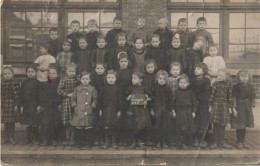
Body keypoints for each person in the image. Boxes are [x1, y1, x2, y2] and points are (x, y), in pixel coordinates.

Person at [124, 72, 152, 149]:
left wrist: (147, 98)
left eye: (135, 78)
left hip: (141, 110)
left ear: (140, 80)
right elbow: (125, 97)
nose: (133, 80)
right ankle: (133, 142)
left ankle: (140, 141)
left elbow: (151, 96)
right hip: (132, 110)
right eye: (132, 78)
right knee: (132, 125)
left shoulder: (144, 88)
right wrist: (128, 97)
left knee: (141, 125)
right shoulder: (130, 88)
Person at [70, 71, 98, 149]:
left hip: (88, 111)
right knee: (79, 127)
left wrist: (92, 106)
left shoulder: (92, 89)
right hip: (79, 111)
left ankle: (88, 143)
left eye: (87, 79)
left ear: (89, 80)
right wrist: (75, 106)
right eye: (83, 79)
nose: (85, 80)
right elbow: (73, 99)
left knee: (88, 127)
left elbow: (95, 99)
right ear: (80, 80)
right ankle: (80, 143)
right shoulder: (77, 89)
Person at [209, 68, 233, 149]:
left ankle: (222, 142)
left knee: (222, 124)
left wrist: (230, 107)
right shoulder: (215, 84)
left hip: (224, 106)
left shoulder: (228, 85)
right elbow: (212, 95)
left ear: (226, 77)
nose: (219, 77)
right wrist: (210, 105)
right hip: (216, 105)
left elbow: (230, 97)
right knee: (215, 124)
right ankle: (215, 142)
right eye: (218, 75)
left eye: (222, 75)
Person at [231, 70, 256, 149]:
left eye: (246, 77)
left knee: (244, 125)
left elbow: (253, 96)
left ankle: (243, 141)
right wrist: (234, 108)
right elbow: (234, 97)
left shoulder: (251, 86)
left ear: (248, 78)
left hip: (247, 107)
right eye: (242, 76)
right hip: (239, 107)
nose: (244, 78)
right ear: (239, 77)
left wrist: (253, 105)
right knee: (239, 125)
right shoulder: (236, 86)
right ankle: (239, 142)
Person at [171, 75, 196, 150]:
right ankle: (180, 143)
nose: (182, 84)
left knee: (189, 127)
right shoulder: (176, 92)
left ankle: (187, 142)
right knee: (180, 127)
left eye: (184, 82)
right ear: (178, 83)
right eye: (181, 82)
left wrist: (193, 111)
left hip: (188, 112)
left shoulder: (190, 92)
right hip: (179, 112)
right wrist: (173, 111)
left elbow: (194, 102)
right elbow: (172, 103)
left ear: (188, 83)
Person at [190, 63, 212, 148]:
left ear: (204, 71)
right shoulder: (192, 80)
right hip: (194, 104)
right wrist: (193, 99)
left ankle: (203, 140)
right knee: (195, 121)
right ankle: (195, 139)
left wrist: (199, 98)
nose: (196, 70)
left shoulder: (206, 80)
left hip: (203, 104)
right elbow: (190, 91)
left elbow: (207, 92)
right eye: (195, 69)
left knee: (203, 121)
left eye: (198, 69)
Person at [98, 70, 122, 149]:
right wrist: (100, 109)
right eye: (109, 77)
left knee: (114, 126)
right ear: (106, 79)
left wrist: (119, 110)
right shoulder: (103, 88)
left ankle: (114, 142)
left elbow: (120, 100)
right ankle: (107, 142)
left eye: (112, 77)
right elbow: (100, 99)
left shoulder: (118, 89)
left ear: (116, 78)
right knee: (106, 125)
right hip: (106, 110)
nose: (111, 79)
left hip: (114, 110)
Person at [18, 65, 41, 145]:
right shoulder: (24, 83)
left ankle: (35, 138)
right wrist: (20, 105)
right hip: (26, 105)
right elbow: (21, 95)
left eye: (32, 72)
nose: (30, 73)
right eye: (28, 72)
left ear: (36, 73)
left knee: (35, 121)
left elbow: (41, 95)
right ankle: (28, 138)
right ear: (26, 73)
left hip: (34, 105)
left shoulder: (38, 83)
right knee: (28, 122)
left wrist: (40, 105)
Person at [39, 67, 62, 146]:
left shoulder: (59, 83)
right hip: (47, 106)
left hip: (55, 106)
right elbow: (42, 95)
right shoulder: (45, 84)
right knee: (46, 123)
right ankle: (45, 139)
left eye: (53, 73)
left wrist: (60, 103)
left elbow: (60, 95)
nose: (51, 75)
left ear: (57, 75)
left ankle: (54, 139)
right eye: (50, 73)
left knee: (55, 123)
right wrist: (42, 105)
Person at [57, 63, 78, 146]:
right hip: (66, 101)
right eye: (70, 71)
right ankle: (67, 137)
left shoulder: (77, 79)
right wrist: (66, 94)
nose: (71, 73)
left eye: (73, 71)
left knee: (74, 119)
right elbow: (59, 89)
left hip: (75, 102)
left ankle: (73, 138)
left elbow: (80, 89)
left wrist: (74, 94)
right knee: (67, 121)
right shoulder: (63, 79)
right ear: (66, 71)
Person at [115, 52, 133, 147]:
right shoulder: (116, 72)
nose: (123, 63)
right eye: (121, 61)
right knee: (119, 119)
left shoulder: (130, 72)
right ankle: (119, 140)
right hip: (118, 98)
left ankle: (127, 140)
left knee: (128, 119)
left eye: (125, 61)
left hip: (128, 98)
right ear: (119, 62)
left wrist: (130, 94)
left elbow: (132, 84)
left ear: (128, 62)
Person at [151, 70, 172, 149]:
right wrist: (152, 109)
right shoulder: (154, 88)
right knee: (157, 126)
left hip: (165, 110)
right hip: (157, 110)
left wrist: (170, 110)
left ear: (166, 80)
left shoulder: (168, 89)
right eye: (160, 78)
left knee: (165, 126)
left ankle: (164, 141)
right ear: (157, 79)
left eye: (163, 79)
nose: (162, 80)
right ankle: (158, 141)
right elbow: (152, 100)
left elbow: (170, 100)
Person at [1, 65, 20, 145]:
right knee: (6, 122)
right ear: (2, 75)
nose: (7, 75)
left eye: (9, 73)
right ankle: (6, 137)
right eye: (5, 74)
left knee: (11, 122)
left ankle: (12, 137)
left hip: (11, 104)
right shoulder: (2, 84)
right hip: (4, 104)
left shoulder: (14, 83)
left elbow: (17, 95)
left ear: (12, 74)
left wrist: (16, 105)